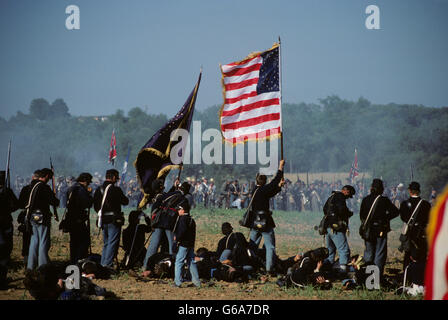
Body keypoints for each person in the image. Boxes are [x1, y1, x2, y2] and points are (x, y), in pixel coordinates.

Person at [142, 179, 188, 274]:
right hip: (169, 223)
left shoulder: (164, 195)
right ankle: (174, 269)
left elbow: (164, 200)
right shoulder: (163, 196)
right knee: (172, 245)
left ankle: (146, 266)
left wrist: (153, 222)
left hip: (159, 222)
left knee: (153, 246)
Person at [247, 159, 285, 275]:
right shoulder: (263, 190)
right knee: (270, 247)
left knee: (252, 246)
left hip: (255, 222)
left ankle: (251, 266)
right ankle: (269, 269)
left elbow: (269, 193)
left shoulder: (256, 190)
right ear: (265, 182)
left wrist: (279, 187)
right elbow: (273, 183)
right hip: (265, 222)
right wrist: (280, 167)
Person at [359, 179, 399, 281]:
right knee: (379, 254)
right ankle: (376, 278)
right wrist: (385, 218)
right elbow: (395, 212)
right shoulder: (384, 200)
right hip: (380, 229)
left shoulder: (365, 199)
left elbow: (362, 215)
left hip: (368, 230)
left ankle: (368, 279)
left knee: (368, 253)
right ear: (381, 189)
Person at [93, 169, 129, 269]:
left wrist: (102, 213)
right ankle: (107, 266)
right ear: (113, 177)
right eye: (116, 177)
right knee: (112, 243)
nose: (117, 179)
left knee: (106, 243)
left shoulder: (98, 189)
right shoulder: (115, 189)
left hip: (103, 219)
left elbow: (96, 206)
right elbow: (125, 201)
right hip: (114, 219)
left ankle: (103, 263)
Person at [26, 168, 60, 270]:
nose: (49, 180)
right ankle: (43, 266)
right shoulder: (43, 187)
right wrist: (54, 196)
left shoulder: (30, 186)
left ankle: (30, 266)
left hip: (32, 215)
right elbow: (54, 202)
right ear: (45, 176)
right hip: (42, 216)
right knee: (43, 241)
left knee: (34, 240)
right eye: (49, 178)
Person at [322, 184, 356, 275]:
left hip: (328, 227)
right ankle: (343, 270)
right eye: (349, 195)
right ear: (346, 191)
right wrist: (348, 213)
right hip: (336, 227)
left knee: (330, 250)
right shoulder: (340, 197)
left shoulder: (332, 196)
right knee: (344, 249)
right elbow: (342, 210)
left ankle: (326, 268)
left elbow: (325, 209)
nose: (348, 197)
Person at [399, 181, 431, 272]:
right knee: (422, 255)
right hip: (421, 233)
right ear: (419, 191)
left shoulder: (404, 204)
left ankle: (407, 276)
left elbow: (403, 218)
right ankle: (420, 277)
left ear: (410, 191)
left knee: (407, 255)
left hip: (409, 232)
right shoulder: (426, 204)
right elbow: (428, 218)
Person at [64, 173, 94, 264]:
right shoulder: (81, 190)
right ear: (85, 181)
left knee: (74, 241)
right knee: (83, 241)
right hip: (78, 219)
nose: (88, 184)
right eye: (88, 182)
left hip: (71, 218)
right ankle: (80, 260)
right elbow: (87, 204)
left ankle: (74, 260)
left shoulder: (71, 188)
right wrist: (89, 194)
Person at [172, 203, 201, 288]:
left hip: (183, 244)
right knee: (191, 262)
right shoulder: (191, 220)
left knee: (178, 262)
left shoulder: (182, 219)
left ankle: (177, 282)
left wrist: (176, 239)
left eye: (179, 209)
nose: (178, 211)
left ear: (183, 210)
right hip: (190, 244)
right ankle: (196, 282)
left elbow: (181, 232)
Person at [0, 170, 20, 289]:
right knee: (4, 250)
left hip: (5, 223)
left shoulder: (7, 192)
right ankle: (1, 279)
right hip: (5, 224)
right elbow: (16, 205)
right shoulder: (7, 191)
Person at [18, 170, 40, 265]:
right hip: (37, 216)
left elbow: (19, 204)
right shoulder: (41, 188)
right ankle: (34, 259)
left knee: (27, 237)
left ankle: (27, 257)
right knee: (37, 237)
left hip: (27, 215)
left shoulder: (25, 188)